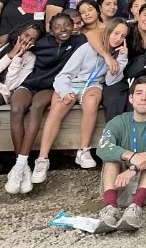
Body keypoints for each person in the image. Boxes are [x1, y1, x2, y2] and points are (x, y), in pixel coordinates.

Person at [31, 17, 130, 181]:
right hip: (72, 83)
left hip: (93, 86)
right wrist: (65, 91)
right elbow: (64, 75)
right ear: (108, 32)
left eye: (123, 36)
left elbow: (111, 81)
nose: (118, 38)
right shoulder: (87, 48)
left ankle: (83, 150)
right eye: (116, 33)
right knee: (59, 107)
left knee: (91, 101)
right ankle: (42, 158)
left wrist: (122, 59)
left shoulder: (117, 53)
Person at [4, 12, 86, 195]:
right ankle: (22, 166)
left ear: (73, 26)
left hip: (50, 87)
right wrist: (4, 37)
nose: (62, 30)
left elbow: (97, 37)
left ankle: (19, 165)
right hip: (30, 83)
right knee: (16, 108)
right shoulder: (41, 43)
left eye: (66, 25)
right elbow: (17, 40)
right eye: (57, 27)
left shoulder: (79, 41)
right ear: (50, 30)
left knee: (37, 108)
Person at [95, 76, 146, 232]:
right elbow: (102, 147)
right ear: (131, 98)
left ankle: (136, 209)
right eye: (139, 93)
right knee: (111, 158)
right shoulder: (118, 121)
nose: (144, 98)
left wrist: (132, 169)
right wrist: (130, 156)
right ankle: (110, 208)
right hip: (119, 187)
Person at [0, 23, 42, 176]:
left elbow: (10, 85)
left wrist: (17, 58)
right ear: (20, 32)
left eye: (32, 39)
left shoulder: (30, 58)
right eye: (26, 35)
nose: (27, 41)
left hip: (0, 92)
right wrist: (9, 55)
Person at [103, 1, 146, 120]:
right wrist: (106, 56)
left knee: (139, 97)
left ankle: (135, 136)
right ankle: (113, 133)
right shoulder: (127, 30)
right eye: (145, 15)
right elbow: (93, 34)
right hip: (122, 75)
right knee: (113, 97)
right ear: (138, 15)